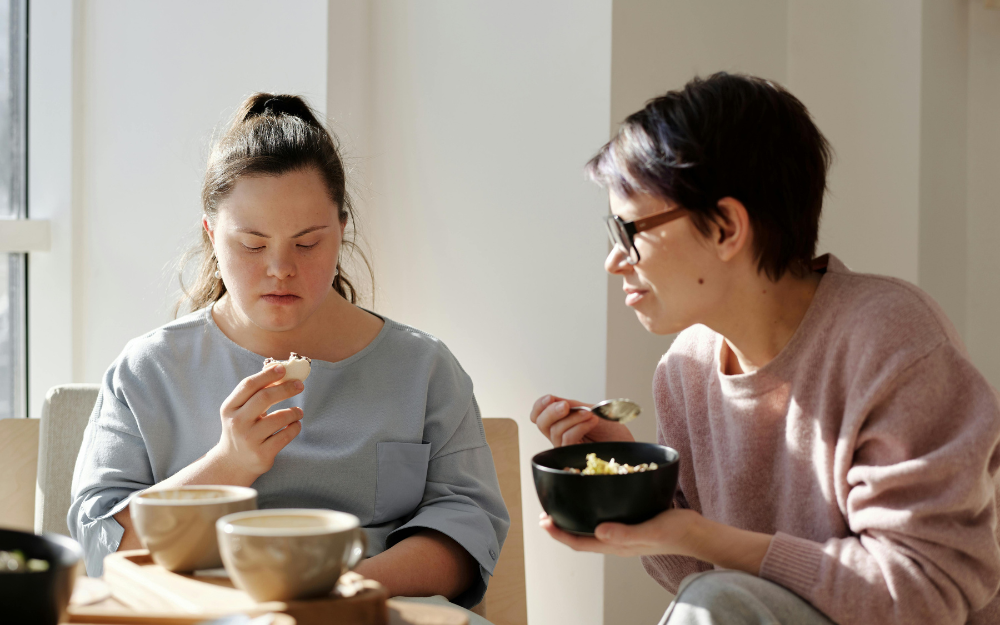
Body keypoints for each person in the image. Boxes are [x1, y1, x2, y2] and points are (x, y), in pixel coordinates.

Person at [530, 73, 1000, 624]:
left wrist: (704, 536)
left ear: (727, 227)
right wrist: (638, 490)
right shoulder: (685, 368)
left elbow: (924, 591)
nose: (615, 260)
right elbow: (706, 580)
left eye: (630, 231)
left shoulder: (892, 340)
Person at [69, 93, 508, 611]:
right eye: (252, 244)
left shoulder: (424, 368)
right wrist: (228, 464)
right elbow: (98, 542)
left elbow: (469, 527)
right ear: (212, 234)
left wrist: (341, 591)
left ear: (342, 230)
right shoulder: (148, 370)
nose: (280, 268)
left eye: (307, 243)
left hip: (373, 608)